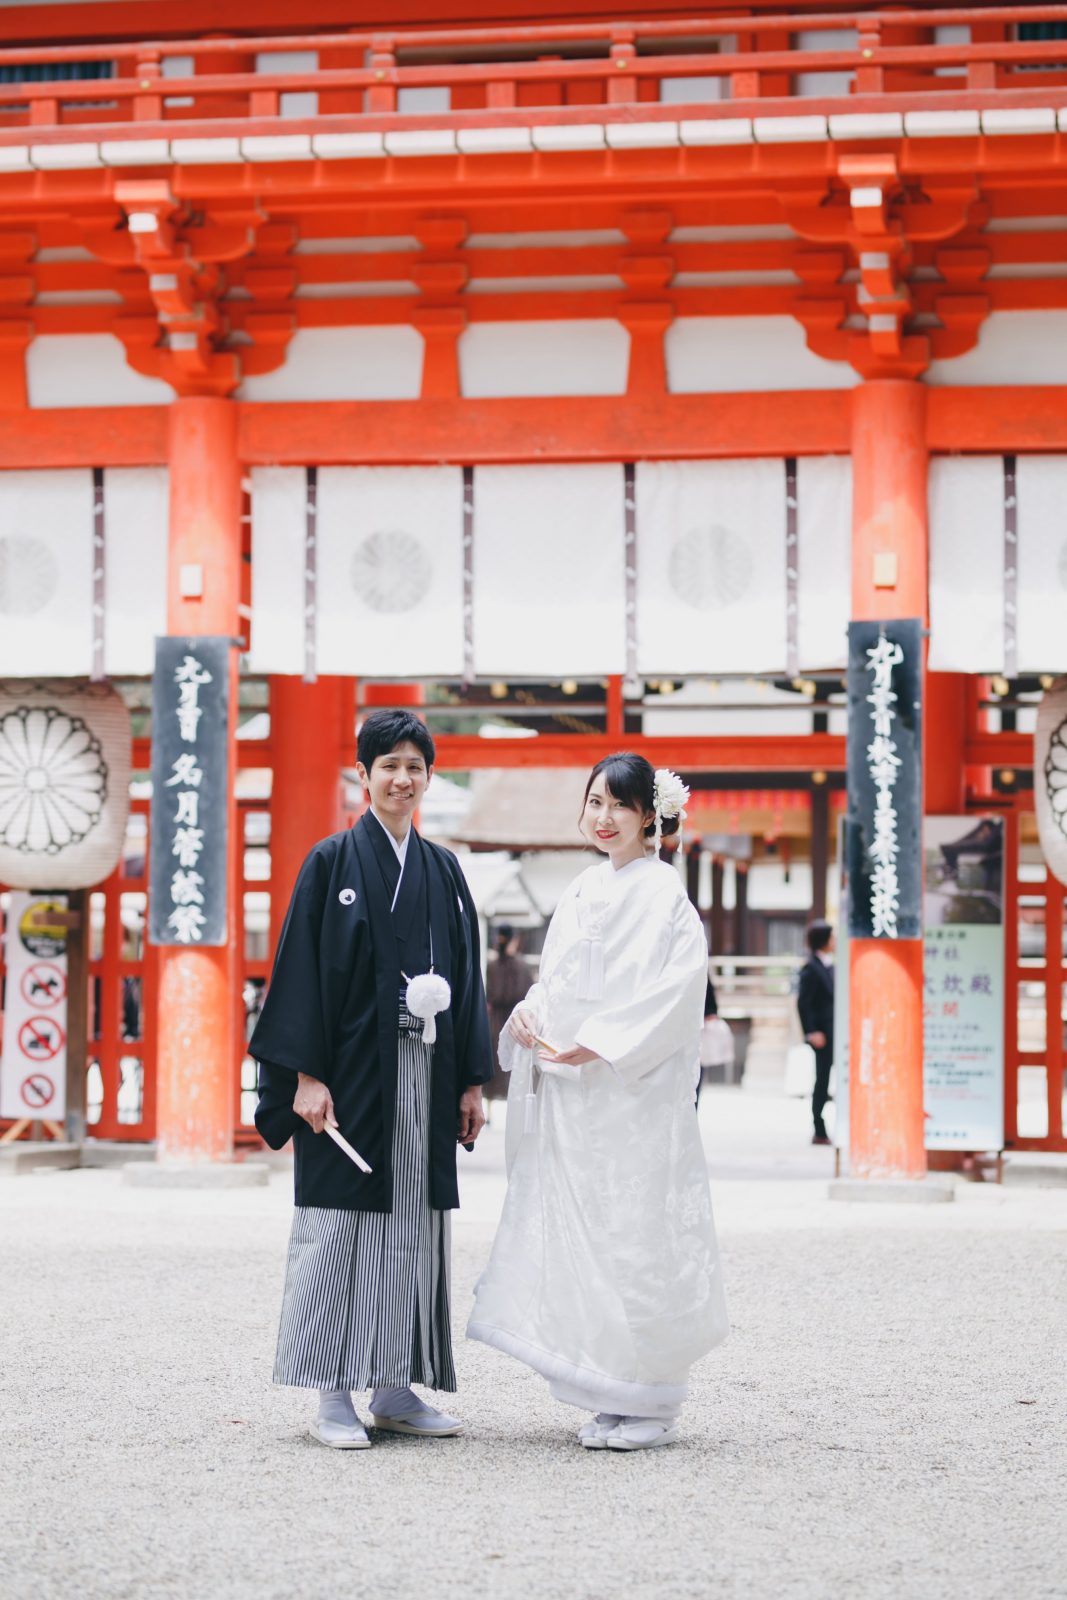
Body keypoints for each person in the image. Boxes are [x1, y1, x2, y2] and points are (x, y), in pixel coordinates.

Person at [467, 753, 729, 1452]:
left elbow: (674, 993)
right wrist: (529, 1016)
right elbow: (556, 983)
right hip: (572, 1091)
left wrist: (600, 1042)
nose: (603, 818)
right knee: (582, 1230)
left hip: (629, 1095)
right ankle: (606, 1384)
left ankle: (649, 1397)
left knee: (632, 1231)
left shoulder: (663, 893)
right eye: (593, 804)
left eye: (618, 805)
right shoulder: (582, 888)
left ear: (649, 815)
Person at [251, 709, 493, 1449]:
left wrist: (470, 1082)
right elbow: (297, 973)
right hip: (349, 1075)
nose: (402, 778)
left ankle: (393, 1384)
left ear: (428, 776)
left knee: (411, 1226)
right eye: (387, 764)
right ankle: (331, 1392)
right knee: (338, 1224)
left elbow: (467, 978)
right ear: (362, 774)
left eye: (415, 765)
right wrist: (301, 1076)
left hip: (424, 1067)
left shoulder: (443, 868)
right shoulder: (331, 862)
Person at [797, 918, 835, 1146]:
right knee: (821, 1080)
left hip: (832, 1031)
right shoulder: (811, 967)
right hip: (822, 1033)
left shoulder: (828, 965)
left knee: (826, 1079)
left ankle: (822, 1126)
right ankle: (818, 1127)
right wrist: (811, 1031)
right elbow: (804, 1003)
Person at [484, 926, 531, 1104]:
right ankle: (513, 1100)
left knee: (496, 1061)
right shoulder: (522, 966)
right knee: (514, 1062)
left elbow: (491, 993)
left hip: (496, 1020)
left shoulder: (492, 965)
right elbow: (526, 992)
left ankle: (489, 1105)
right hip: (516, 1018)